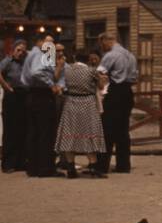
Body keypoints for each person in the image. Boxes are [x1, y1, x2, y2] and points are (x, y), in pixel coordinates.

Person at [54, 49, 105, 178]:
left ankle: (71, 168)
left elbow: (61, 83)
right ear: (88, 59)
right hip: (87, 103)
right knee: (88, 133)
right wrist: (101, 79)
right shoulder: (91, 71)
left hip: (71, 102)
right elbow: (100, 86)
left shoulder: (68, 70)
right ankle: (93, 165)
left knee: (70, 134)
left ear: (75, 57)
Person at [95, 31, 137, 174]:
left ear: (106, 41)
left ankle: (102, 165)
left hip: (115, 91)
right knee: (123, 130)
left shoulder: (111, 55)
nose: (101, 48)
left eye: (101, 44)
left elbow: (99, 73)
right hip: (127, 92)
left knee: (107, 129)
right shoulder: (130, 55)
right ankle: (123, 164)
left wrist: (100, 87)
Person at [22, 35, 59, 178]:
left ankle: (33, 167)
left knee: (34, 132)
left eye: (53, 42)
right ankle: (45, 168)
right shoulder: (40, 54)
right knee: (45, 132)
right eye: (49, 41)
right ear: (40, 42)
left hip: (33, 94)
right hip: (42, 95)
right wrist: (51, 86)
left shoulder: (33, 54)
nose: (52, 44)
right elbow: (37, 72)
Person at [1, 39, 29, 173]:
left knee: (22, 129)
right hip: (12, 96)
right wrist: (6, 87)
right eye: (18, 50)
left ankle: (20, 162)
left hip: (24, 96)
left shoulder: (26, 62)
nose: (21, 53)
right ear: (13, 50)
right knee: (10, 130)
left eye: (23, 51)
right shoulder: (7, 61)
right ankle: (8, 163)